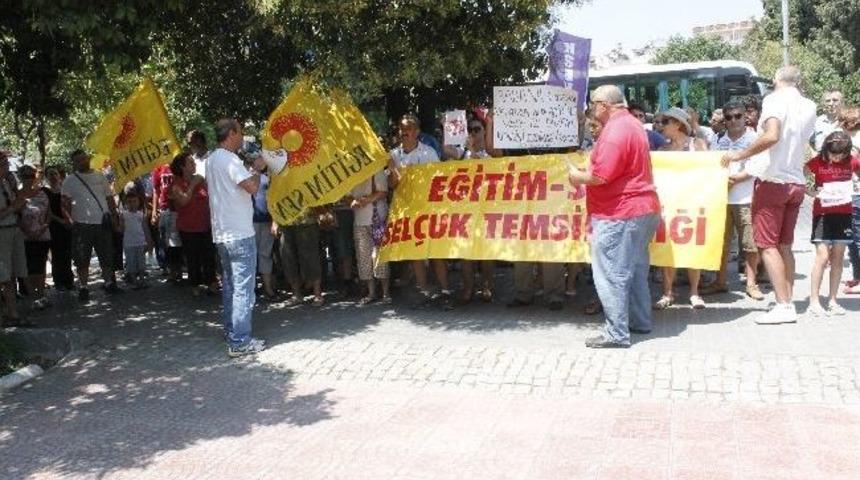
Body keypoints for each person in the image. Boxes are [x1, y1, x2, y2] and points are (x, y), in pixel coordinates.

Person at [721, 66, 817, 324]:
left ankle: (783, 305)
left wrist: (740, 155)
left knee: (766, 245)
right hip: (795, 182)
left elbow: (772, 135)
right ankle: (788, 299)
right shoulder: (809, 105)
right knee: (785, 245)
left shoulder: (773, 100)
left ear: (775, 80)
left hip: (773, 181)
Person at [569, 85, 661, 348]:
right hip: (642, 208)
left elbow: (600, 176)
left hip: (619, 212)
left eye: (592, 104)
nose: (591, 109)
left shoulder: (613, 131)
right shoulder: (632, 125)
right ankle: (640, 321)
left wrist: (576, 177)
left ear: (603, 104)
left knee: (612, 273)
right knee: (635, 270)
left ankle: (616, 333)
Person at [207, 119, 267, 357]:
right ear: (231, 134)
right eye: (240, 133)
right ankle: (240, 342)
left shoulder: (211, 159)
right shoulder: (230, 160)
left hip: (221, 233)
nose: (242, 137)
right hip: (239, 233)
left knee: (231, 287)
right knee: (243, 289)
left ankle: (232, 332)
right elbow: (251, 187)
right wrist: (257, 169)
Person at [388, 114, 452, 308]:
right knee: (415, 253)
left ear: (417, 132)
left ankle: (445, 291)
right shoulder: (394, 155)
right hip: (407, 211)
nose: (403, 133)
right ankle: (424, 291)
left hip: (429, 210)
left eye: (408, 129)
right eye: (401, 129)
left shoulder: (429, 153)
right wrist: (393, 169)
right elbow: (393, 186)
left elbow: (439, 180)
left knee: (436, 253)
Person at [702, 101, 764, 300]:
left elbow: (759, 165)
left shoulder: (755, 138)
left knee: (749, 243)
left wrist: (737, 179)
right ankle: (720, 282)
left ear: (745, 116)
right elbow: (711, 164)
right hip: (721, 198)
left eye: (737, 116)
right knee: (721, 242)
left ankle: (751, 283)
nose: (733, 120)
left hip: (746, 197)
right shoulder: (718, 139)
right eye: (728, 117)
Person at [653, 107, 708, 310]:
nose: (661, 125)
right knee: (667, 247)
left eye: (665, 121)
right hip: (668, 204)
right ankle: (667, 293)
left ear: (678, 124)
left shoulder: (698, 145)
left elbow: (708, 171)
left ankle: (694, 292)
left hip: (693, 203)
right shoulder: (661, 151)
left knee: (693, 246)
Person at [443, 114, 497, 303]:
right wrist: (447, 128)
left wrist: (472, 150)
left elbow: (480, 167)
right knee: (466, 252)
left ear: (484, 131)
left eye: (477, 129)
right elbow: (446, 149)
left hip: (486, 209)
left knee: (485, 252)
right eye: (470, 129)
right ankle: (468, 287)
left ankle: (486, 286)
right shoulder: (462, 152)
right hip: (465, 209)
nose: (473, 132)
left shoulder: (491, 154)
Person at [804, 131, 857, 316]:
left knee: (838, 256)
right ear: (826, 149)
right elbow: (803, 170)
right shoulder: (818, 161)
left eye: (841, 154)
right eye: (833, 154)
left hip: (844, 213)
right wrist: (809, 190)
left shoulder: (852, 161)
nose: (837, 157)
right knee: (822, 255)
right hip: (823, 213)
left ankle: (833, 300)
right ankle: (814, 301)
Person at [61, 149, 123, 303]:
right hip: (81, 224)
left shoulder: (99, 176)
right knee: (82, 258)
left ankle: (108, 283)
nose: (82, 162)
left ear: (88, 159)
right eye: (78, 160)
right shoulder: (69, 181)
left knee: (106, 254)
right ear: (74, 163)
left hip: (102, 222)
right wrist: (68, 219)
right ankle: (83, 287)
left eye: (84, 159)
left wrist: (114, 217)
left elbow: (109, 198)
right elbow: (65, 203)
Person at [169, 152, 217, 297]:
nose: (194, 164)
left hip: (205, 225)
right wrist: (192, 185)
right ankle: (195, 284)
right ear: (182, 167)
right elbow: (183, 201)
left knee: (208, 255)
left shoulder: (201, 180)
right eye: (190, 162)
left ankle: (212, 283)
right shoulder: (176, 184)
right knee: (193, 257)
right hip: (188, 228)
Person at [349, 166, 391, 305]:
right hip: (360, 220)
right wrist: (352, 202)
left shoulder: (376, 169)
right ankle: (371, 292)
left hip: (377, 218)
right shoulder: (350, 172)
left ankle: (385, 293)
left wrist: (365, 201)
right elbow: (346, 196)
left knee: (380, 256)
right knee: (364, 257)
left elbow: (383, 192)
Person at [0, 152, 29, 326]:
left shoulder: (7, 183)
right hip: (2, 232)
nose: (6, 165)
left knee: (11, 275)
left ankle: (13, 315)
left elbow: (15, 205)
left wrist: (20, 203)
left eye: (6, 162)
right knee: (2, 276)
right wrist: (13, 208)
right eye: (2, 162)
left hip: (14, 230)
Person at [19, 165, 52, 309]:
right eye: (26, 176)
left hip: (42, 235)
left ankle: (42, 295)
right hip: (24, 236)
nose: (29, 179)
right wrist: (27, 231)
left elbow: (49, 214)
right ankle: (33, 297)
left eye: (31, 176)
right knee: (28, 268)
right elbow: (15, 216)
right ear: (20, 177)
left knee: (41, 265)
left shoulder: (42, 193)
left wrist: (43, 227)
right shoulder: (16, 194)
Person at [250, 157, 278, 301]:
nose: (261, 161)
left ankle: (268, 288)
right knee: (251, 255)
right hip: (250, 222)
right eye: (258, 159)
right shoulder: (245, 176)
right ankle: (251, 288)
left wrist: (274, 220)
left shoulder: (268, 178)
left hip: (266, 220)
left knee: (265, 254)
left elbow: (272, 199)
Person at [839, 107, 860, 294]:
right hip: (853, 194)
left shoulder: (854, 141)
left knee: (856, 239)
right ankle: (857, 277)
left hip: (856, 195)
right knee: (853, 238)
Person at [151, 162, 183, 283]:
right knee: (166, 242)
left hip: (176, 208)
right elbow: (155, 191)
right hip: (163, 209)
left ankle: (178, 270)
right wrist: (154, 211)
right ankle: (171, 270)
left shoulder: (177, 166)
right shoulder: (158, 168)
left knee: (176, 243)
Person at [44, 166, 74, 291]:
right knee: (56, 254)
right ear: (46, 177)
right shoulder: (45, 192)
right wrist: (60, 221)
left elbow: (72, 207)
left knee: (68, 253)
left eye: (55, 173)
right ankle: (59, 281)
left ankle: (69, 281)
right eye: (50, 174)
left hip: (67, 225)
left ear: (59, 175)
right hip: (54, 226)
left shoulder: (65, 190)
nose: (53, 176)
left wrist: (69, 221)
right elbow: (48, 212)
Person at [119, 186, 153, 289]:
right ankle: (134, 281)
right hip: (129, 243)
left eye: (134, 201)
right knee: (131, 263)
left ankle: (142, 279)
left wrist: (149, 241)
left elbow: (145, 228)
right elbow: (121, 229)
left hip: (140, 242)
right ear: (125, 203)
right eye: (129, 202)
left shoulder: (141, 214)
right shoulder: (123, 215)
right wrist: (120, 221)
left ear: (138, 202)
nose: (132, 204)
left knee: (141, 262)